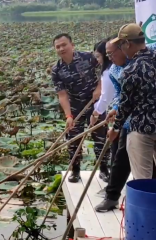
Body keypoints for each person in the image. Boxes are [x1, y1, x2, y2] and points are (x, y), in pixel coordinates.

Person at [94, 33, 156, 212]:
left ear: (124, 47)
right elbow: (122, 97)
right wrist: (115, 109)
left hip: (138, 123)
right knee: (120, 159)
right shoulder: (115, 70)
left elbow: (128, 102)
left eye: (112, 53)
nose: (110, 58)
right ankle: (112, 196)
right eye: (107, 55)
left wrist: (115, 127)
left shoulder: (134, 67)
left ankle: (143, 207)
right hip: (131, 120)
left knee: (139, 169)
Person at [51, 33, 110, 183]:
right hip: (75, 105)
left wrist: (99, 88)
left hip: (95, 103)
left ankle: (104, 169)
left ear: (72, 45)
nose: (61, 48)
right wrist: (68, 116)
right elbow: (62, 95)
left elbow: (103, 72)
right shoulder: (56, 70)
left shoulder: (88, 57)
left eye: (64, 45)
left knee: (100, 137)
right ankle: (75, 170)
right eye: (58, 47)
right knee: (73, 139)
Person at [108, 23, 156, 180]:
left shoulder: (131, 70)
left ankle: (146, 204)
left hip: (143, 128)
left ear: (127, 44)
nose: (121, 49)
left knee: (143, 179)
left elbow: (126, 104)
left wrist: (115, 128)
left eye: (121, 45)